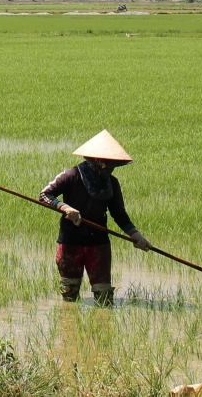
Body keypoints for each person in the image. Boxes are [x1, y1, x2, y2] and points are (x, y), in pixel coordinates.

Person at [40, 130, 151, 305]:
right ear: (98, 162)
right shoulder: (71, 176)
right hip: (71, 242)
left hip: (98, 243)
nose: (110, 169)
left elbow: (119, 214)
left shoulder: (112, 184)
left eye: (113, 165)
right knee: (69, 292)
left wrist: (135, 235)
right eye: (108, 164)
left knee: (104, 295)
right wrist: (65, 207)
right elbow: (45, 195)